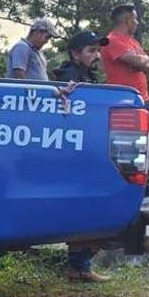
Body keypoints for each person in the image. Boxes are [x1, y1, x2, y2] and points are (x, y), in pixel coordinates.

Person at [51, 30, 111, 282]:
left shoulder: (86, 76)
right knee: (85, 208)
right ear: (76, 53)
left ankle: (79, 267)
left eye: (98, 50)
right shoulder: (69, 78)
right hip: (73, 154)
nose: (96, 55)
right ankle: (80, 266)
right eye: (91, 50)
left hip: (84, 151)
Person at [101, 3, 149, 198]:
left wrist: (142, 61)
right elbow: (140, 62)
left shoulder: (133, 42)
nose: (137, 23)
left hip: (143, 97)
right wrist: (140, 62)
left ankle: (144, 180)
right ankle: (129, 182)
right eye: (135, 19)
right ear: (127, 20)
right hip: (125, 99)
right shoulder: (112, 40)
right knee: (130, 144)